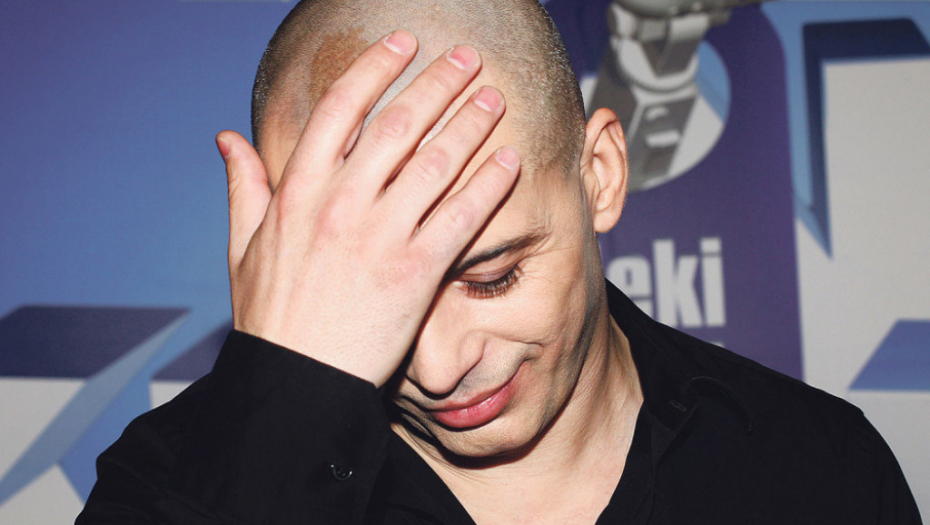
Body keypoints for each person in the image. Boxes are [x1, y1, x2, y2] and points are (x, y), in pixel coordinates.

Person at [76, 0, 922, 523]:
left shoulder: (814, 466)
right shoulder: (177, 479)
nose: (441, 367)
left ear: (600, 176)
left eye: (493, 275)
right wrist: (284, 395)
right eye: (375, 299)